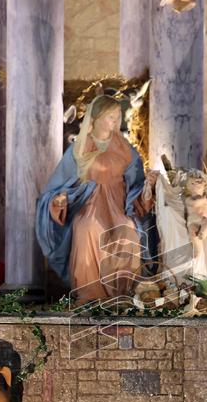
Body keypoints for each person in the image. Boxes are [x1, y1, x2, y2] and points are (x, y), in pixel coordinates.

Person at [36, 95, 157, 304]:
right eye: (111, 116)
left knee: (125, 228)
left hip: (119, 204)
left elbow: (136, 182)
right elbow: (58, 185)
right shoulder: (79, 148)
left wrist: (147, 188)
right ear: (97, 117)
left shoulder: (125, 148)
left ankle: (123, 293)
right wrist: (59, 199)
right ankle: (91, 292)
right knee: (87, 228)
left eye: (117, 116)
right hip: (88, 203)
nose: (116, 120)